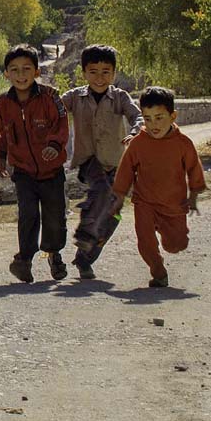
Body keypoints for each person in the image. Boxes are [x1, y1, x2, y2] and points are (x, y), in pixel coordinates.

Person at [61, 45, 143, 279]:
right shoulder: (75, 97)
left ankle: (85, 258)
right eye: (93, 72)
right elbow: (53, 109)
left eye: (105, 72)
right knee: (101, 190)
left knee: (112, 216)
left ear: (114, 73)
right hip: (88, 160)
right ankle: (85, 233)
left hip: (116, 163)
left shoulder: (120, 97)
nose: (99, 78)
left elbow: (137, 116)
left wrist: (135, 131)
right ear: (84, 73)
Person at [109, 87, 205, 288]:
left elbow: (194, 168)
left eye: (159, 118)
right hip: (145, 201)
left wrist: (194, 196)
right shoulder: (138, 143)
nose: (153, 124)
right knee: (145, 241)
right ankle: (158, 272)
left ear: (173, 116)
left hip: (173, 204)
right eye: (148, 118)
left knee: (176, 244)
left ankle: (169, 234)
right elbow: (125, 170)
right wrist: (118, 198)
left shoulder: (183, 143)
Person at [0, 45, 70, 283]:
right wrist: (1, 156)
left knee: (54, 216)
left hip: (52, 171)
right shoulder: (3, 103)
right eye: (14, 70)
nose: (21, 75)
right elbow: (3, 133)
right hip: (23, 171)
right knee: (28, 214)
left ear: (37, 72)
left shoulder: (50, 97)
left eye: (26, 69)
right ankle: (24, 260)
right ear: (6, 74)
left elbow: (61, 124)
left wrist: (55, 145)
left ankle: (54, 254)